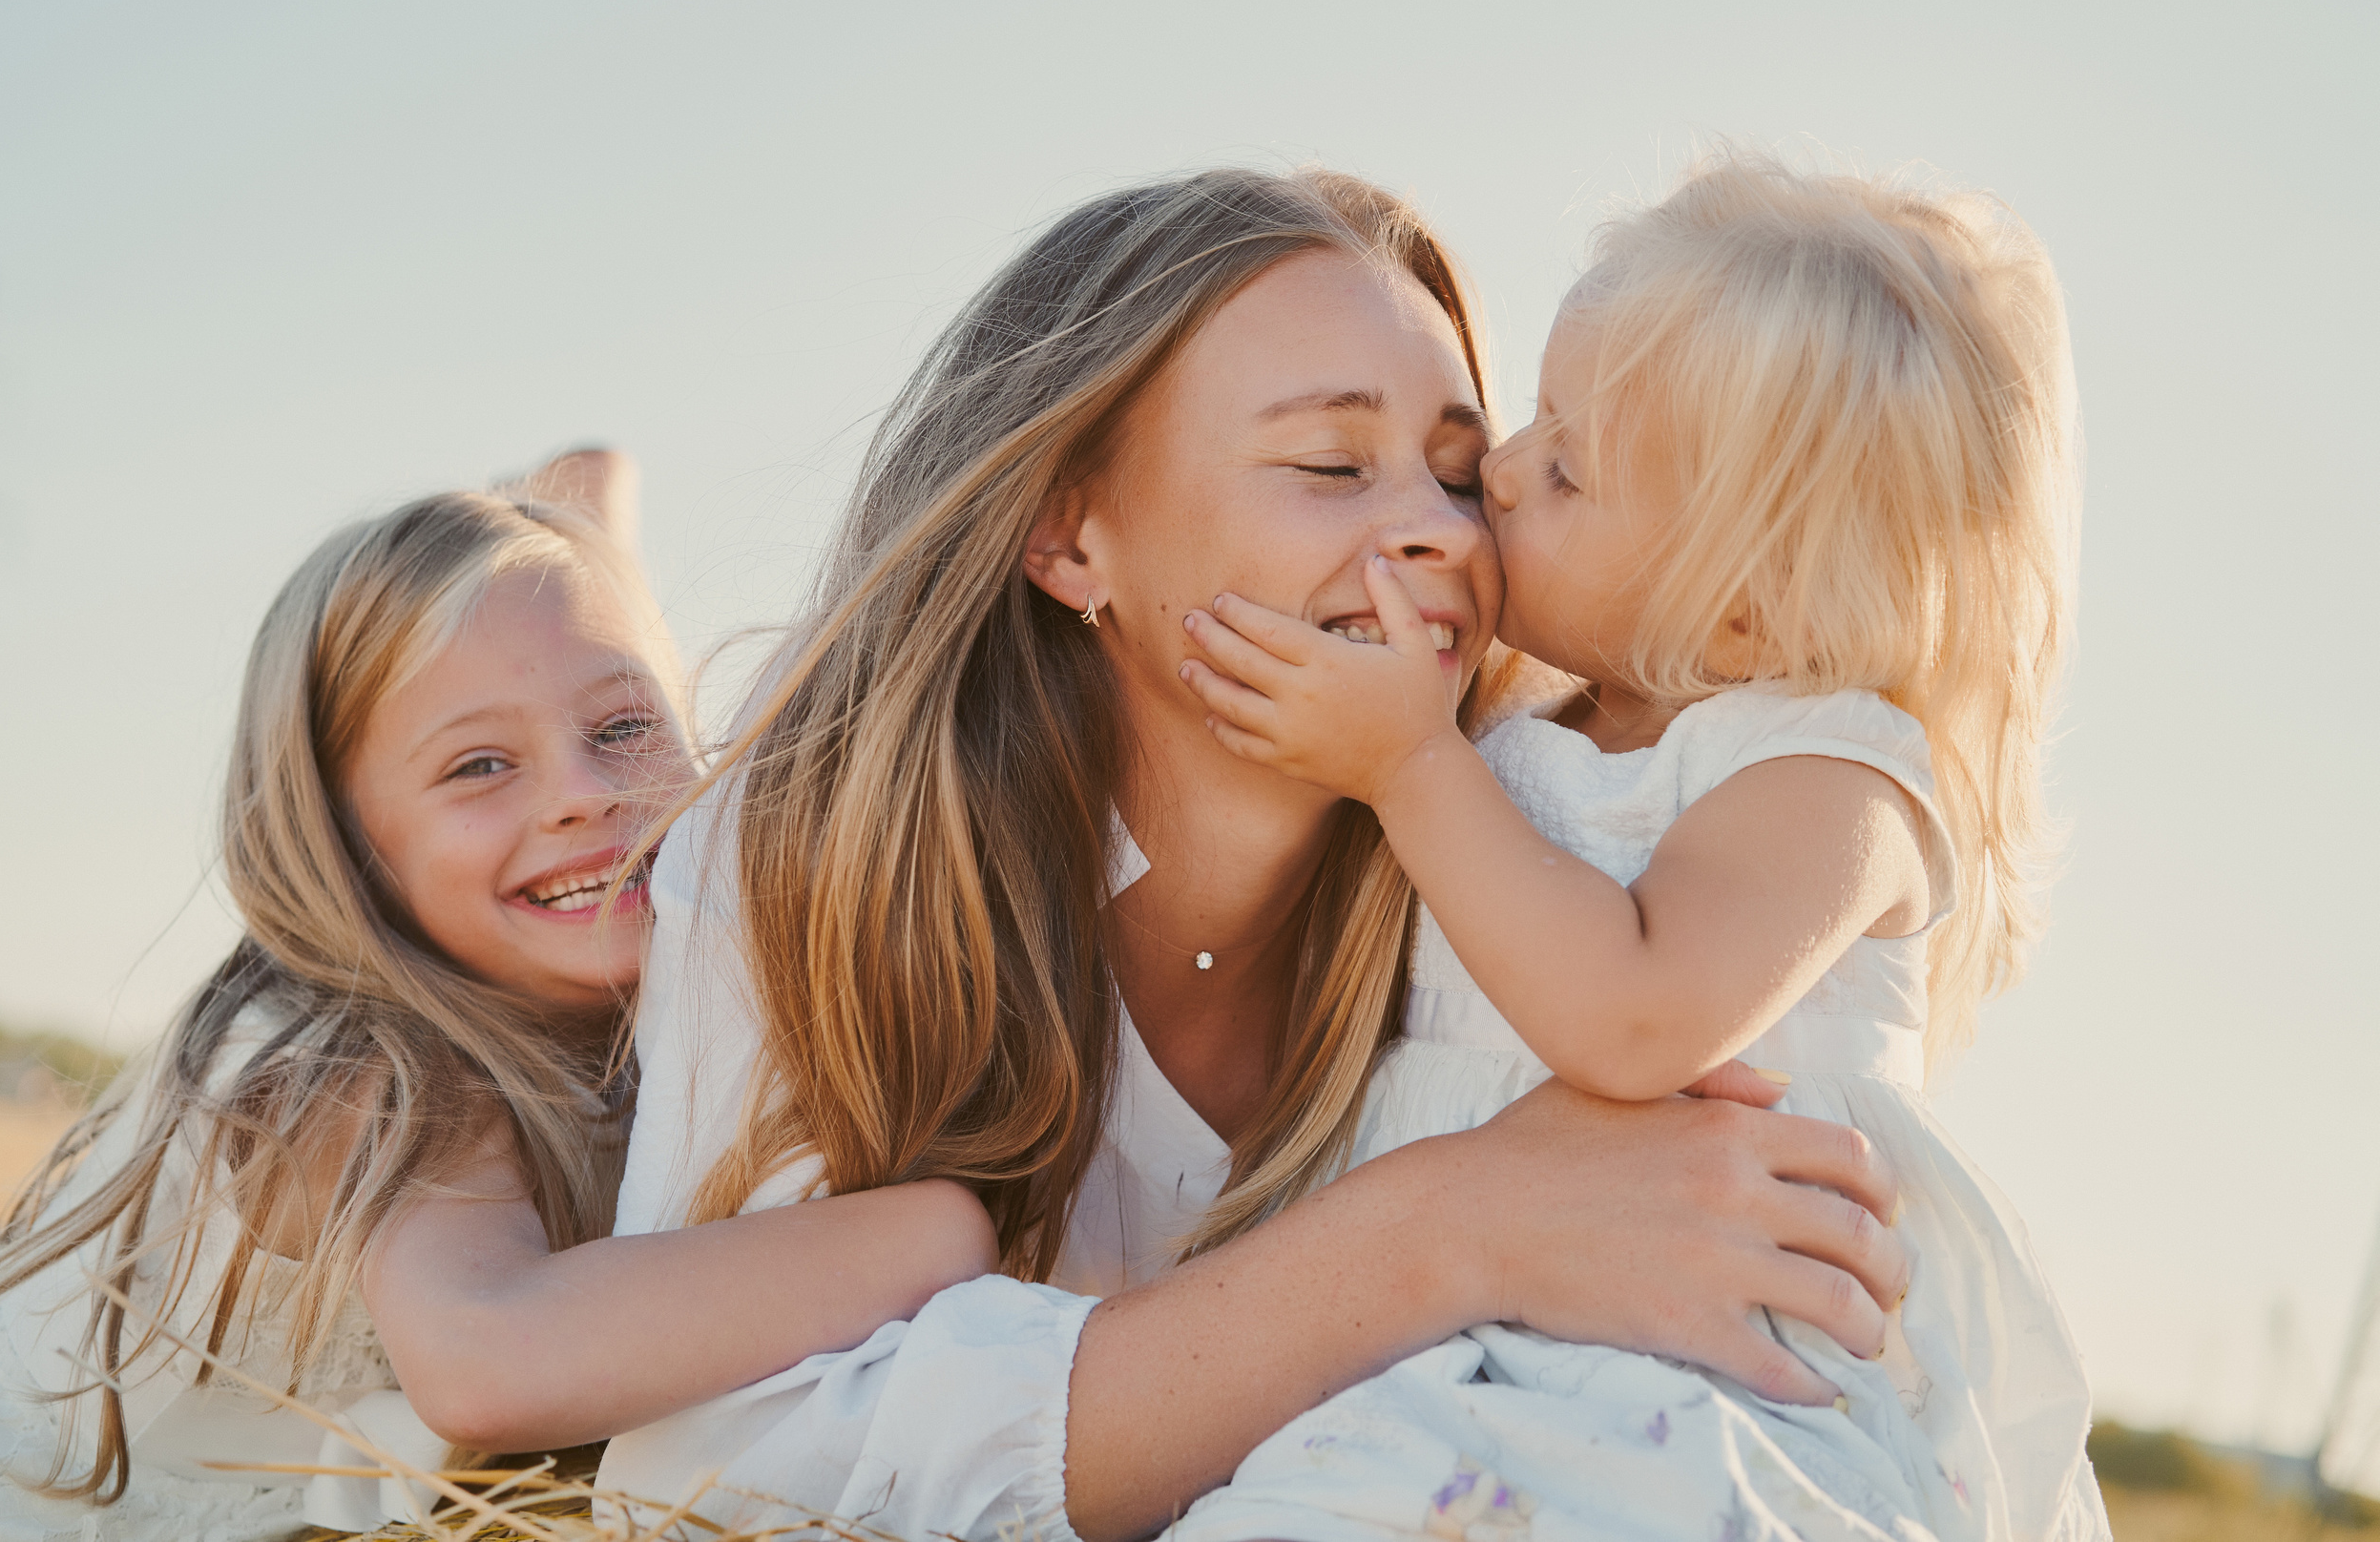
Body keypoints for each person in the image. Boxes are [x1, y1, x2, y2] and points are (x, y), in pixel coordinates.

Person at [601, 168, 1912, 1541]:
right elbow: (708, 1469)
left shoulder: (1542, 855)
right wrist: (1449, 1226)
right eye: (1331, 466)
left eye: (1462, 475)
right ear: (1068, 532)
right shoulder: (826, 858)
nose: (1436, 528)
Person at [1169, 156, 2108, 1540]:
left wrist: (1405, 762)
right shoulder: (1527, 738)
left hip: (1681, 1385)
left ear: (1742, 610)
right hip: (1439, 1348)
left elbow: (1633, 1016)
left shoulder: (1831, 775)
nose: (1495, 469)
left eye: (1564, 463)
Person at [0, 453, 994, 1541]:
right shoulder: (359, 1068)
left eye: (627, 728)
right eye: (480, 766)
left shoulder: (655, 1003)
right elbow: (489, 1356)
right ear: (347, 850)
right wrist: (946, 1232)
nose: (586, 796)